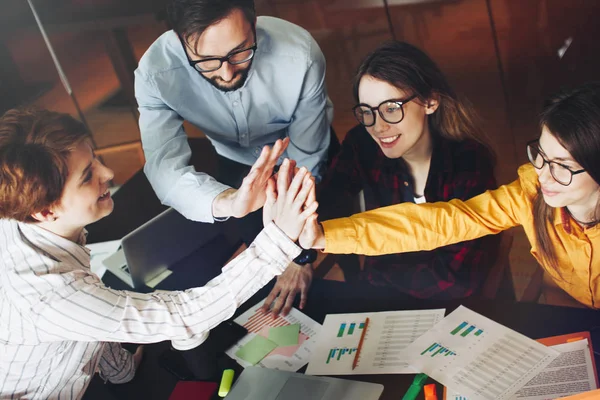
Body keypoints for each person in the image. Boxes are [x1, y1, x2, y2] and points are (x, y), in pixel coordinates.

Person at [0, 108, 318, 399]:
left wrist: (121, 371)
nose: (108, 173)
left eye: (95, 157)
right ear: (45, 210)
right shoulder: (49, 294)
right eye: (87, 175)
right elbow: (184, 316)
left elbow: (85, 325)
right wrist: (279, 239)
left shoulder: (21, 217)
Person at [302, 82, 600, 309]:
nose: (543, 175)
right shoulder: (529, 194)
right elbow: (435, 223)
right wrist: (323, 235)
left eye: (563, 166)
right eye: (542, 156)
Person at [262, 41, 499, 316]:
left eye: (391, 108)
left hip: (452, 311)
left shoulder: (469, 162)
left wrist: (379, 274)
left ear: (430, 101)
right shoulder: (362, 143)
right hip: (379, 300)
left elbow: (456, 279)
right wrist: (302, 258)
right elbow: (330, 201)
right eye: (367, 112)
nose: (378, 126)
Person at [134, 0, 333, 244]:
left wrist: (296, 251)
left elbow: (308, 155)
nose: (227, 74)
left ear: (254, 24)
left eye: (239, 52)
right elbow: (165, 169)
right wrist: (228, 200)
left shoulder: (300, 55)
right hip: (235, 163)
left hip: (310, 159)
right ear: (179, 39)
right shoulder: (155, 75)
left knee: (331, 244)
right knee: (256, 254)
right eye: (206, 61)